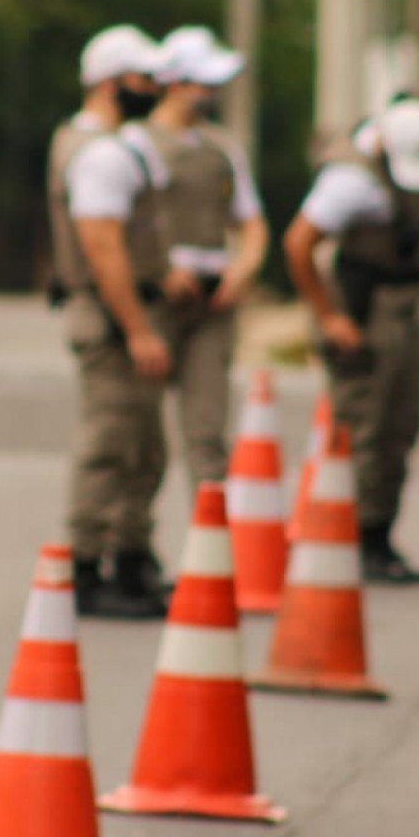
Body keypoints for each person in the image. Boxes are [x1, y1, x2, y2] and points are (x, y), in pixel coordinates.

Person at [282, 96, 419, 585]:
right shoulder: (349, 181)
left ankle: (380, 533)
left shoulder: (403, 164)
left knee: (401, 424)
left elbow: (418, 200)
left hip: (405, 311)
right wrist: (329, 318)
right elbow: (299, 243)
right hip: (364, 315)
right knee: (361, 430)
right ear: (384, 146)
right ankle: (352, 536)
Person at [46, 24, 175, 619]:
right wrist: (140, 328)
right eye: (143, 78)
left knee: (142, 444)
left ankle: (129, 560)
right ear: (108, 83)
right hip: (110, 319)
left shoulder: (107, 144)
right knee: (110, 443)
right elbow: (102, 247)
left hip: (116, 315)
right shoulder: (98, 152)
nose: (154, 88)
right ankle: (86, 570)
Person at [140, 26, 268, 491]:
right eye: (203, 83)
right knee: (140, 437)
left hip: (213, 302)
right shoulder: (137, 144)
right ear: (175, 83)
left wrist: (244, 269)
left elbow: (252, 223)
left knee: (207, 433)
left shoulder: (222, 148)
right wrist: (162, 269)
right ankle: (131, 546)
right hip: (158, 299)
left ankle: (212, 551)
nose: (211, 94)